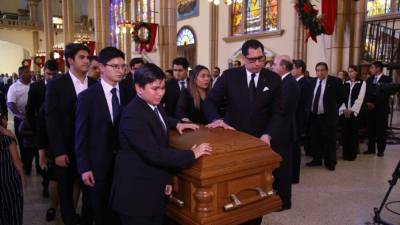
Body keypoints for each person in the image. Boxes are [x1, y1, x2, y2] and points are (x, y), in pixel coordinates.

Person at [110, 63, 212, 225]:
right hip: (136, 195)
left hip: (153, 186)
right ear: (139, 88)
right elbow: (154, 153)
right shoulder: (132, 115)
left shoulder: (152, 105)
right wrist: (192, 153)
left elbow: (158, 120)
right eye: (155, 88)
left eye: (163, 88)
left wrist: (177, 124)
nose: (161, 93)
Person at [204, 39, 282, 224]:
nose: (257, 64)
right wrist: (217, 120)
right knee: (234, 186)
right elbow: (209, 101)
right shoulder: (230, 76)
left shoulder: (273, 79)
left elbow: (278, 112)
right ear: (243, 58)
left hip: (260, 142)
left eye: (260, 59)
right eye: (252, 59)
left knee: (258, 188)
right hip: (233, 141)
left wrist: (268, 134)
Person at [75, 47, 133, 225]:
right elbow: (80, 135)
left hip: (124, 165)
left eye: (123, 66)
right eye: (114, 66)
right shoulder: (87, 97)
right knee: (100, 213)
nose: (120, 70)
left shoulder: (129, 91)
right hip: (98, 166)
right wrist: (84, 167)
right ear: (101, 67)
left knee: (122, 213)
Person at [45, 43, 97, 225]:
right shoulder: (56, 85)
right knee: (66, 194)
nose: (87, 61)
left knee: (90, 193)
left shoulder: (95, 84)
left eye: (88, 57)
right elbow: (52, 121)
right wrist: (58, 152)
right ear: (70, 61)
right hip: (65, 149)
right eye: (82, 57)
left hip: (89, 150)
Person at [270, 55, 299, 210]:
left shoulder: (289, 84)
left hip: (283, 132)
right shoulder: (284, 82)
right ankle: (278, 195)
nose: (272, 67)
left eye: (274, 64)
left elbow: (282, 109)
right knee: (278, 166)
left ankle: (284, 201)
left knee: (283, 168)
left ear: (283, 67)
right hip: (280, 131)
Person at [306, 62, 344, 171]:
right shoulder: (312, 82)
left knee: (330, 139)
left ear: (327, 71)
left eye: (322, 70)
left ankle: (330, 162)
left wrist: (333, 108)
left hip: (328, 116)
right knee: (315, 139)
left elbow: (341, 97)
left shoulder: (335, 81)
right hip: (314, 116)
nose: (320, 72)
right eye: (317, 70)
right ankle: (316, 160)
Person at [7, 66, 35, 175]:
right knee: (24, 145)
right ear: (21, 74)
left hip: (34, 118)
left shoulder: (34, 85)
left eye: (30, 71)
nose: (30, 73)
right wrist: (20, 115)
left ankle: (39, 165)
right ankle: (26, 167)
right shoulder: (14, 87)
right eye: (27, 72)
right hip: (21, 119)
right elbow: (10, 103)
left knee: (37, 142)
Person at [0, 113, 26, 225]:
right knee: (14, 208)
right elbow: (16, 161)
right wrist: (23, 176)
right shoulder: (7, 138)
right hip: (9, 180)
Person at [364, 61, 392, 157]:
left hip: (381, 109)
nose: (370, 70)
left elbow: (385, 94)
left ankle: (380, 150)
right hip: (370, 109)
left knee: (381, 130)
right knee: (370, 130)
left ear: (378, 68)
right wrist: (368, 102)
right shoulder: (369, 79)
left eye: (372, 68)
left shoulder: (387, 79)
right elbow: (366, 92)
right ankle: (370, 149)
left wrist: (374, 104)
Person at [339, 65, 366, 161]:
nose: (350, 73)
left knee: (353, 134)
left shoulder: (362, 83)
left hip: (354, 113)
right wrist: (344, 109)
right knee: (345, 133)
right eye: (349, 71)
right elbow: (341, 97)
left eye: (352, 71)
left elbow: (360, 98)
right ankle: (345, 154)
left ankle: (352, 155)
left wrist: (352, 110)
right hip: (345, 112)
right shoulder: (345, 83)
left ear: (356, 72)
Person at [291, 59, 312, 183]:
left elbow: (302, 105)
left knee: (295, 147)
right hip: (294, 119)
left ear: (300, 69)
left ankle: (294, 175)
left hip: (298, 120)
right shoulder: (295, 82)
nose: (291, 70)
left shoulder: (305, 83)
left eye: (293, 68)